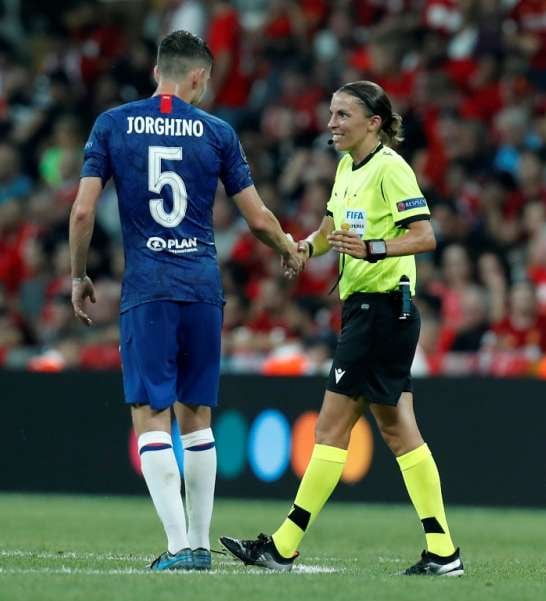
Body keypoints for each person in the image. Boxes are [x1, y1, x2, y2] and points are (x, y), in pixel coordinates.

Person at [69, 30, 302, 572]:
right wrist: (289, 249)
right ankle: (200, 541)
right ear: (198, 77)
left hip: (148, 287)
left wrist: (78, 275)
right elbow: (257, 217)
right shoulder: (216, 132)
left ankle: (181, 549)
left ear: (157, 72)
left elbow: (82, 212)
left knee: (150, 417)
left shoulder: (113, 124)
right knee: (196, 416)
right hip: (201, 285)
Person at [220, 81, 464, 576]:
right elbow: (334, 229)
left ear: (373, 122)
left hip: (381, 311)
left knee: (331, 428)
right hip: (369, 312)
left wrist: (374, 248)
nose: (331, 123)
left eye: (342, 114)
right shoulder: (346, 168)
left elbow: (425, 236)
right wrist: (306, 248)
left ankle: (284, 546)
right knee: (400, 433)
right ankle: (442, 551)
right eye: (331, 113)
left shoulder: (391, 169)